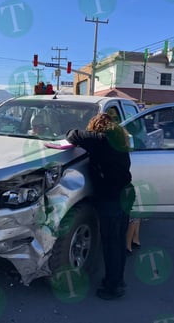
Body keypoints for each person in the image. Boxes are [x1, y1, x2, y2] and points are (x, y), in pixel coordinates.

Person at [66, 113, 135, 300]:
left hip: (111, 198)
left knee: (111, 243)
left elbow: (72, 134)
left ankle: (113, 287)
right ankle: (117, 280)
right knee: (119, 241)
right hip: (125, 194)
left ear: (97, 126)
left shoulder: (101, 139)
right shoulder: (119, 141)